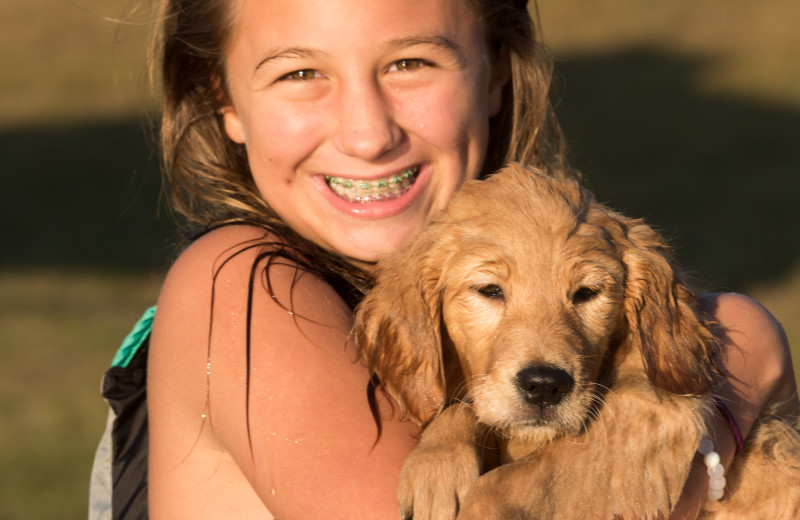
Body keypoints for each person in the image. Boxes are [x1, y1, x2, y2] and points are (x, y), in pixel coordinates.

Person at [89, 0, 799, 518]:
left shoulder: (546, 256)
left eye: (409, 63)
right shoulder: (245, 284)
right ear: (225, 102)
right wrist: (742, 361)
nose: (368, 134)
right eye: (301, 73)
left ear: (494, 75)